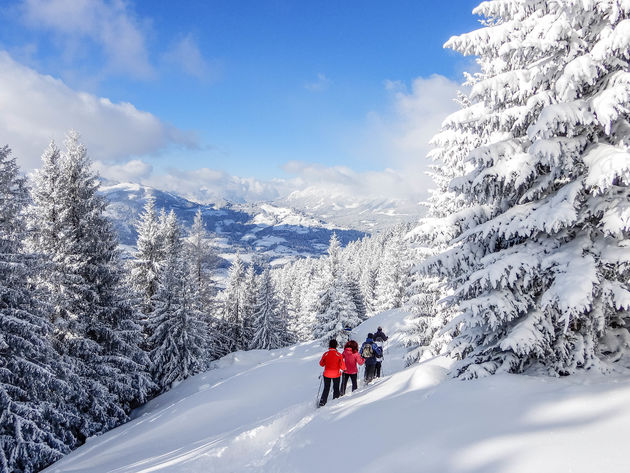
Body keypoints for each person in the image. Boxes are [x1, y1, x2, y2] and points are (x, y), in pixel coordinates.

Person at [319, 339, 346, 407]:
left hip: (327, 374)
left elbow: (321, 364)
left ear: (329, 345)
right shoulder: (339, 355)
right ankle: (335, 401)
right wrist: (343, 368)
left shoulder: (326, 354)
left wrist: (326, 362)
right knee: (336, 388)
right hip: (336, 374)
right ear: (336, 346)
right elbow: (342, 367)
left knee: (326, 388)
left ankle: (322, 402)